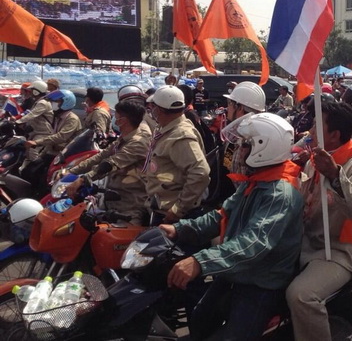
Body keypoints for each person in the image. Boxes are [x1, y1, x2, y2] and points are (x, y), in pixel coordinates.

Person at [160, 113, 303, 341]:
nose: (239, 151)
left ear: (262, 148)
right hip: (237, 271)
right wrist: (179, 229)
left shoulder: (279, 193)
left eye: (245, 145)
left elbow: (254, 243)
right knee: (199, 320)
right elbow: (222, 216)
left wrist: (200, 261)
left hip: (260, 281)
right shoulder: (257, 181)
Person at [286, 101, 352, 340]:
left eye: (317, 126)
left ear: (335, 135)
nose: (311, 132)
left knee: (301, 295)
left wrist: (335, 175)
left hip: (340, 251)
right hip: (307, 241)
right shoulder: (314, 158)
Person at [65, 101, 151, 225]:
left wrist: (83, 179)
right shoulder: (124, 137)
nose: (113, 116)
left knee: (116, 240)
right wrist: (71, 171)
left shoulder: (138, 142)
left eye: (116, 114)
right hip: (112, 197)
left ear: (123, 120)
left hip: (130, 204)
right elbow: (101, 156)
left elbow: (110, 164)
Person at [143, 85, 210, 223]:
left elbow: (200, 173)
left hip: (174, 217)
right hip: (161, 208)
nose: (151, 111)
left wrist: (178, 209)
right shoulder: (165, 129)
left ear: (159, 110)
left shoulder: (181, 136)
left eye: (153, 107)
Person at [23, 90, 82, 190]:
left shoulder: (72, 119)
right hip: (53, 152)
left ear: (66, 102)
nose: (53, 104)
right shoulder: (58, 117)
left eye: (57, 102)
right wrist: (41, 154)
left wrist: (37, 142)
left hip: (64, 156)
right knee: (29, 170)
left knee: (43, 179)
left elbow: (60, 137)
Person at [14, 81, 53, 169]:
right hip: (37, 131)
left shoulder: (42, 103)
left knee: (32, 152)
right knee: (27, 152)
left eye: (32, 90)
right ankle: (25, 171)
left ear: (36, 91)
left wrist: (18, 121)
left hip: (43, 133)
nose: (30, 92)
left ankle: (38, 169)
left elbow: (32, 115)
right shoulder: (39, 101)